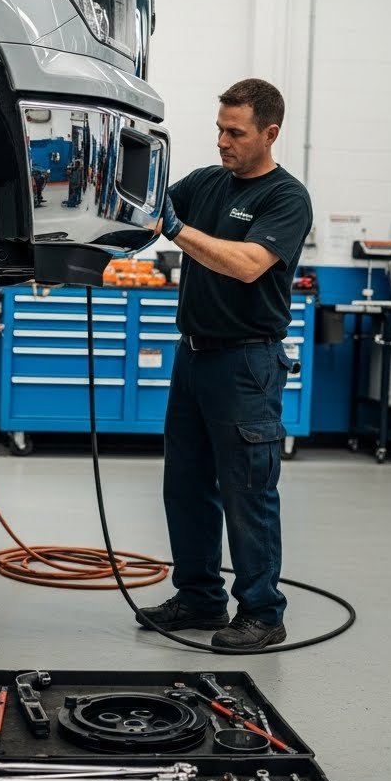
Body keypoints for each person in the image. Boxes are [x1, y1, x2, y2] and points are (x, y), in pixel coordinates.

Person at [136, 78, 313, 651]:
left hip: (246, 365)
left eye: (235, 132)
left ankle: (262, 611)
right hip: (193, 359)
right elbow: (150, 204)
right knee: (185, 486)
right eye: (218, 129)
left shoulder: (285, 198)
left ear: (270, 133)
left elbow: (247, 264)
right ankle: (200, 597)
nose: (222, 142)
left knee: (248, 491)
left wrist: (177, 229)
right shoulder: (208, 182)